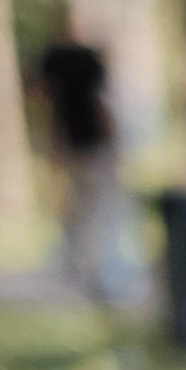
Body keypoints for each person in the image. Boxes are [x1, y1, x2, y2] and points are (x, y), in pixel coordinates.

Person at [34, 26, 126, 300]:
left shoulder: (59, 74)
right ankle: (97, 273)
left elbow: (51, 108)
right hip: (92, 149)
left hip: (73, 148)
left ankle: (76, 269)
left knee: (74, 211)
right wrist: (113, 146)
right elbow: (102, 107)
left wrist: (54, 146)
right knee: (98, 214)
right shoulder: (89, 70)